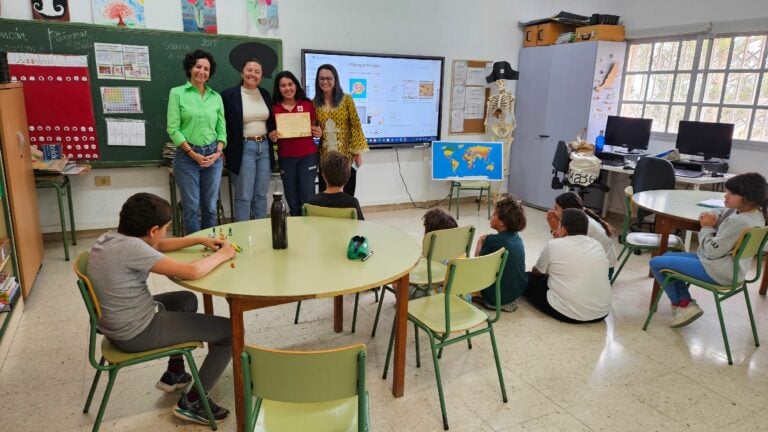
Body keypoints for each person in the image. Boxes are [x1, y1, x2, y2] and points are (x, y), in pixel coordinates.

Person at [87, 193, 236, 424]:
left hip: (116, 322)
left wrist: (198, 241)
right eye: (166, 227)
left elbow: (158, 245)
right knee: (229, 331)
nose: (166, 232)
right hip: (135, 332)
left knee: (185, 300)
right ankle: (195, 402)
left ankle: (175, 373)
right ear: (154, 229)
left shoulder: (111, 238)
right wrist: (223, 254)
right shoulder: (133, 249)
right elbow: (192, 272)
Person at [649, 172, 768, 328]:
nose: (726, 196)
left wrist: (706, 228)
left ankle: (682, 305)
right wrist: (713, 213)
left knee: (656, 262)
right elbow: (724, 212)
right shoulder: (752, 213)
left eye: (732, 193)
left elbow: (712, 250)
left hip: (719, 271)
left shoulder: (740, 222)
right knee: (668, 256)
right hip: (729, 268)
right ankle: (684, 304)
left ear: (747, 198)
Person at [167, 49, 226, 235]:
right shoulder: (177, 93)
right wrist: (192, 153)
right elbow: (173, 129)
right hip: (187, 157)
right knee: (191, 206)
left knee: (209, 205)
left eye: (206, 69)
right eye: (198, 66)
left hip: (213, 156)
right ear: (190, 68)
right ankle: (193, 245)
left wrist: (218, 152)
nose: (202, 71)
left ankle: (210, 242)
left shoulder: (216, 97)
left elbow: (221, 130)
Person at [524, 208, 612, 323]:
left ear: (564, 230)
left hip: (568, 313)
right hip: (601, 312)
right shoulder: (597, 245)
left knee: (528, 278)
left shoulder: (554, 245)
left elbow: (537, 272)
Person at [221, 58, 276, 221]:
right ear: (242, 72)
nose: (253, 74)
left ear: (262, 76)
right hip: (244, 148)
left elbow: (270, 121)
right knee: (244, 195)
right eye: (249, 70)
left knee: (261, 193)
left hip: (264, 147)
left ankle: (260, 229)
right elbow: (222, 124)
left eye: (257, 72)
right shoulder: (229, 95)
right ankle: (242, 233)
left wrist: (273, 134)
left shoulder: (265, 93)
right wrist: (223, 149)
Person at [268, 70, 322, 215]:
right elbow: (272, 132)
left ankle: (309, 230)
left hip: (308, 156)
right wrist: (272, 136)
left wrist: (318, 132)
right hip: (286, 158)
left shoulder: (308, 104)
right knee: (292, 198)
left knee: (307, 196)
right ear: (278, 89)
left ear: (296, 85)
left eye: (290, 84)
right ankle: (296, 228)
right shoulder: (274, 108)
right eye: (283, 85)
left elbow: (316, 128)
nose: (287, 88)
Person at [313, 64, 369, 196]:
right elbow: (313, 129)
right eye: (322, 78)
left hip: (346, 156)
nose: (325, 82)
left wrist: (357, 153)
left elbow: (355, 125)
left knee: (347, 194)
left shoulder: (346, 100)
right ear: (317, 80)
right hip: (325, 158)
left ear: (335, 80)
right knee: (326, 195)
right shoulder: (314, 103)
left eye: (329, 78)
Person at [546, 192, 618, 279]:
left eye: (556, 209)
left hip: (603, 272)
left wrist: (554, 228)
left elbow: (563, 248)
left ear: (567, 211)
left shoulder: (579, 224)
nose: (553, 211)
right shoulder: (579, 217)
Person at [474, 196, 528, 312]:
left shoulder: (491, 241)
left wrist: (480, 242)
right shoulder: (517, 238)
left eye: (494, 214)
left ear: (502, 222)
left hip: (494, 297)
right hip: (516, 293)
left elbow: (477, 264)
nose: (491, 216)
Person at [306, 150, 364, 220]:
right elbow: (360, 226)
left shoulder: (312, 201)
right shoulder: (352, 203)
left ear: (323, 176)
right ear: (348, 176)